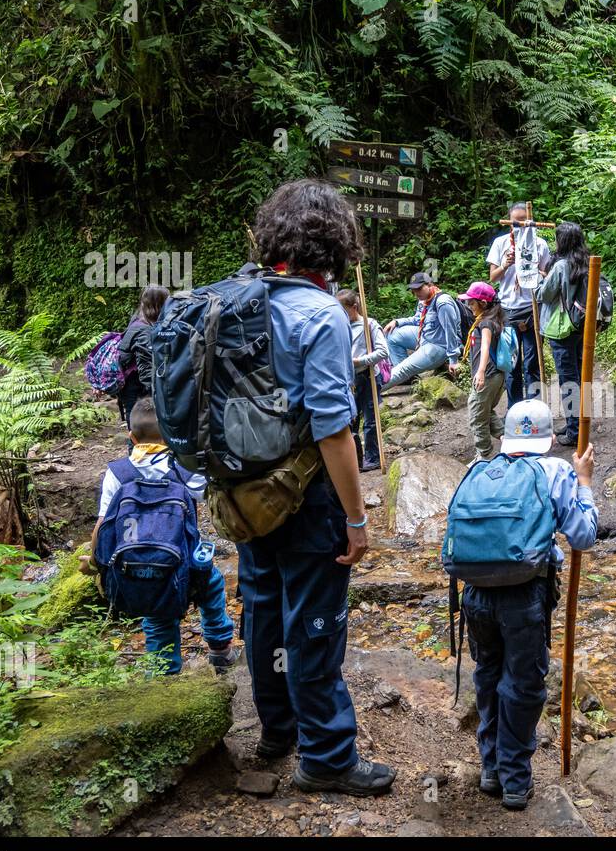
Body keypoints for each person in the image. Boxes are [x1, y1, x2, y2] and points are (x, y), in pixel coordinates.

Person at [240, 178, 394, 796]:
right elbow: (334, 427)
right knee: (315, 621)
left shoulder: (239, 298)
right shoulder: (319, 313)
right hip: (304, 493)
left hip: (244, 491)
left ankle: (277, 729)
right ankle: (327, 757)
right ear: (332, 245)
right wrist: (356, 520)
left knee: (263, 608)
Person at [460, 399, 597, 809]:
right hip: (525, 593)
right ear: (550, 439)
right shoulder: (554, 470)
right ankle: (515, 780)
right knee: (522, 683)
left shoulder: (477, 468)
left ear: (505, 436)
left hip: (477, 592)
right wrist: (584, 481)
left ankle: (491, 769)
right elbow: (584, 536)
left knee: (488, 673)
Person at [80, 397, 238, 675]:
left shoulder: (117, 473)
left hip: (141, 566)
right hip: (186, 562)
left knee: (156, 617)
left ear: (131, 436)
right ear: (169, 433)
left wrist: (94, 563)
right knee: (211, 588)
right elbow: (211, 494)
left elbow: (103, 524)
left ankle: (164, 676)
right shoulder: (183, 466)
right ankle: (220, 650)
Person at [534, 221, 590, 447]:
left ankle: (575, 432)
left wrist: (540, 278)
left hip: (560, 329)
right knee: (577, 377)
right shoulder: (585, 262)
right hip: (579, 326)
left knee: (568, 381)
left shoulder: (560, 266)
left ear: (563, 241)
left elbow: (544, 295)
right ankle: (575, 423)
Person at [487, 202, 549, 403]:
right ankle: (515, 409)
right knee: (511, 364)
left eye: (525, 221)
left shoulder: (539, 244)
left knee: (533, 362)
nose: (520, 226)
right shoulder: (501, 243)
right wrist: (507, 263)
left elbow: (547, 276)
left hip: (532, 309)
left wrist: (528, 267)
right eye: (516, 222)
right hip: (508, 310)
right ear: (510, 223)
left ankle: (534, 408)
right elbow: (493, 277)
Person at [335, 288, 389, 472]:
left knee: (370, 419)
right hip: (347, 379)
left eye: (343, 310)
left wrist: (360, 361)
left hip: (367, 376)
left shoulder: (370, 325)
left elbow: (383, 352)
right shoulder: (339, 326)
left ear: (354, 307)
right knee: (351, 420)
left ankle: (373, 457)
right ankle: (354, 459)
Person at [381, 272, 462, 389]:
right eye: (413, 290)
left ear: (430, 285)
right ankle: (407, 379)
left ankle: (372, 391)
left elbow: (451, 332)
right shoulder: (424, 299)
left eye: (419, 289)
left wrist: (453, 360)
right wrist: (397, 322)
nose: (416, 293)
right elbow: (417, 319)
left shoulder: (443, 303)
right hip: (426, 336)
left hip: (439, 346)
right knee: (391, 334)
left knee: (403, 368)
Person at [460, 281, 507, 461]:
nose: (469, 306)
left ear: (483, 303)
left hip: (487, 375)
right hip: (496, 376)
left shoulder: (486, 323)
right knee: (486, 410)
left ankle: (485, 455)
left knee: (476, 416)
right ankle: (505, 438)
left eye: (472, 303)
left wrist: (480, 372)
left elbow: (485, 347)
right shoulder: (493, 319)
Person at [116, 284, 169, 427]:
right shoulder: (143, 331)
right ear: (159, 305)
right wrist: (158, 395)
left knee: (137, 430)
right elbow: (146, 369)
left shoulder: (139, 320)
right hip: (136, 389)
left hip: (131, 387)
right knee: (140, 431)